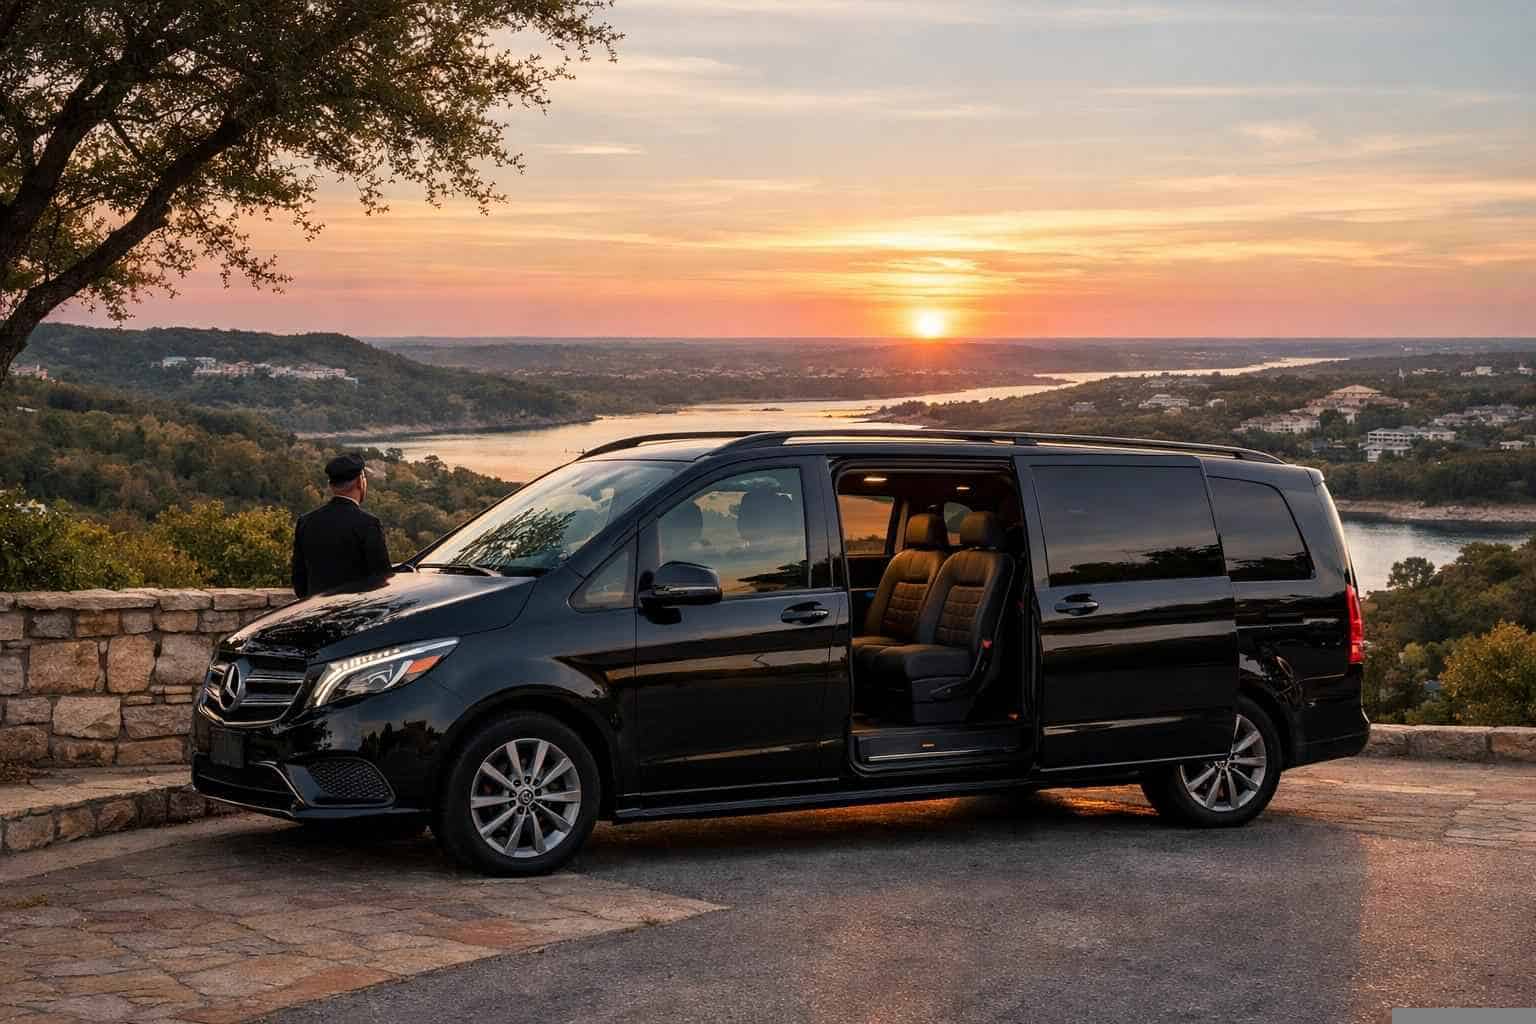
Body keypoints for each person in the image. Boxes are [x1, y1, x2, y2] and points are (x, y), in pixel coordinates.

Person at [291, 453, 392, 599]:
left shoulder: (306, 521)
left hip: (315, 613)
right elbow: (382, 580)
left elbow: (299, 579)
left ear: (331, 485)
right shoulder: (368, 524)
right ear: (360, 481)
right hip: (355, 613)